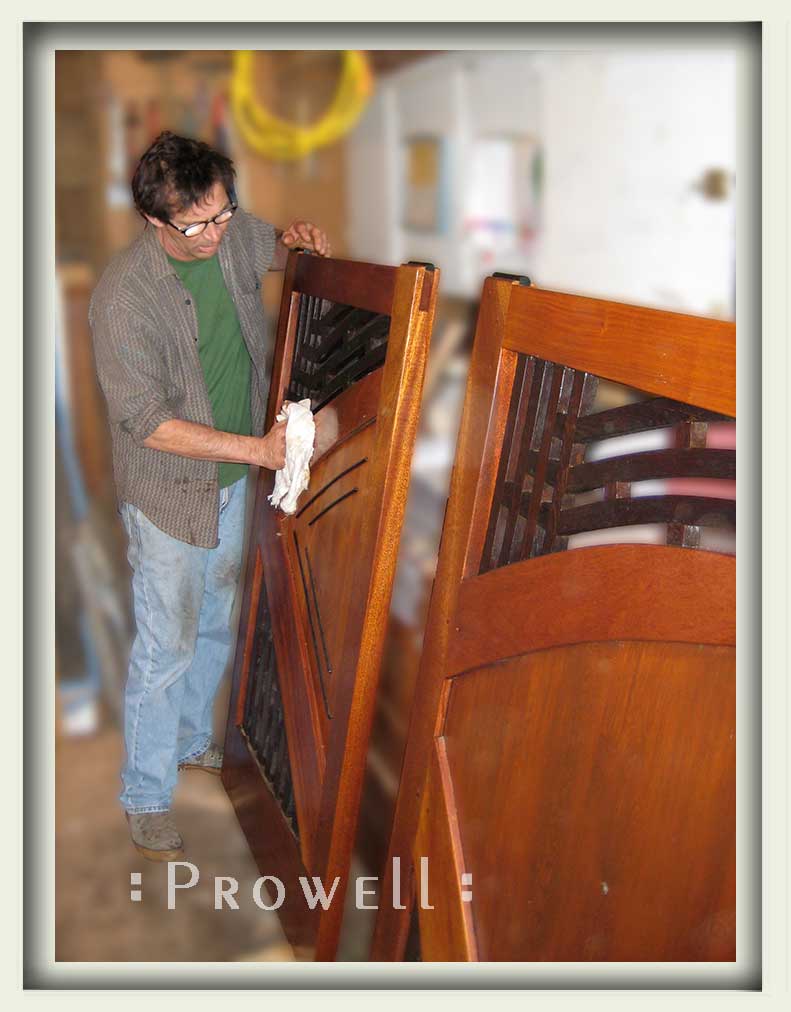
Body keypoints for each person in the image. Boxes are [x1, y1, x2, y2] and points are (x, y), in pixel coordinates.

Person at [89, 131, 331, 862]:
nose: (215, 233)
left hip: (234, 486)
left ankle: (195, 741)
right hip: (170, 495)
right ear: (155, 222)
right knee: (168, 644)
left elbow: (279, 248)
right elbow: (148, 424)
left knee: (218, 618)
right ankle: (146, 795)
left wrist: (300, 243)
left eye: (223, 213)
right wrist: (258, 451)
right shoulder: (123, 300)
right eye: (195, 225)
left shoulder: (226, 234)